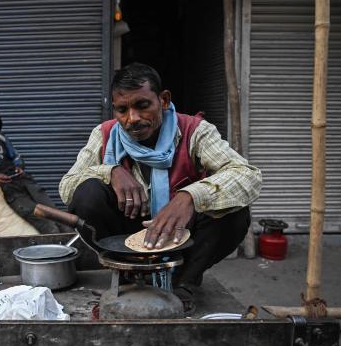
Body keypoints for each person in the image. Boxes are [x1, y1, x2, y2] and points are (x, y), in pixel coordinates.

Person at [59, 62, 262, 309]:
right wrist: (110, 171)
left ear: (163, 100)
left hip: (180, 235)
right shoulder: (104, 134)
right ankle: (128, 275)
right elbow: (67, 186)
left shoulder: (194, 131)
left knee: (236, 211)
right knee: (87, 193)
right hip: (126, 235)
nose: (132, 119)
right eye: (122, 110)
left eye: (142, 106)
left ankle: (184, 282)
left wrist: (191, 196)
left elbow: (247, 175)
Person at [0, 110, 70, 234]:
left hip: (22, 179)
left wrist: (19, 166)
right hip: (7, 188)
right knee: (34, 214)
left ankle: (71, 236)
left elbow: (16, 157)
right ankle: (57, 240)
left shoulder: (0, 138)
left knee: (50, 207)